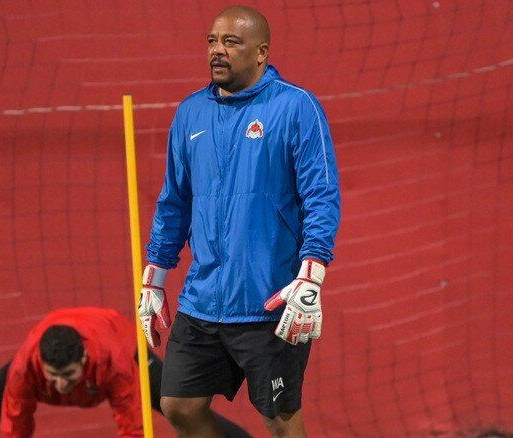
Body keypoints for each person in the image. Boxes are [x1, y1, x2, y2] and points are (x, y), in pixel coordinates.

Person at [137, 5, 341, 438]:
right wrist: (153, 278)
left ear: (261, 52)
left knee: (280, 421)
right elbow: (174, 201)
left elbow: (321, 196)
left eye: (231, 42)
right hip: (202, 300)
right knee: (177, 406)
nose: (218, 50)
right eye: (213, 41)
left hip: (269, 301)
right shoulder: (190, 113)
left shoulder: (296, 107)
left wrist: (312, 275)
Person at [0, 307, 250, 438]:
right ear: (42, 365)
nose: (60, 385)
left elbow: (132, 426)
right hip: (44, 355)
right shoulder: (26, 368)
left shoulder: (114, 363)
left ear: (82, 360)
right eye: (53, 376)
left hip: (122, 344)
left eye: (67, 375)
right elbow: (16, 426)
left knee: (181, 409)